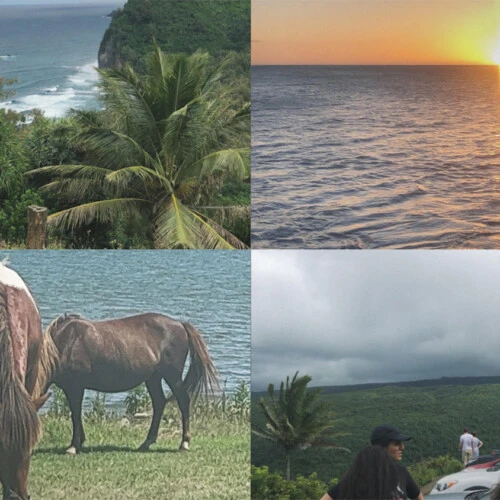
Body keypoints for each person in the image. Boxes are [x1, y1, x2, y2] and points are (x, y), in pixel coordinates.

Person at [321, 424, 423, 500]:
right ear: (382, 447)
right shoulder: (357, 475)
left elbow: (418, 497)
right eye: (397, 444)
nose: (402, 447)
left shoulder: (401, 472)